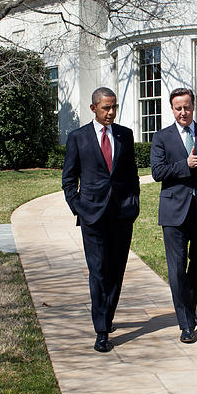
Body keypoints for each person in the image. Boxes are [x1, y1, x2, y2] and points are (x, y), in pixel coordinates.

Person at [62, 87, 140, 353]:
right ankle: (102, 330)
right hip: (92, 216)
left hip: (121, 214)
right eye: (106, 108)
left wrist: (134, 204)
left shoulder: (125, 135)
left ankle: (107, 316)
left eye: (114, 107)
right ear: (94, 108)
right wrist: (79, 208)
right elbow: (69, 180)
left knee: (116, 270)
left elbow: (132, 175)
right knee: (98, 272)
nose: (111, 113)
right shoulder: (78, 138)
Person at [150, 87, 197, 343]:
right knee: (176, 267)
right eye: (178, 108)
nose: (183, 112)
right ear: (172, 110)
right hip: (174, 212)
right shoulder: (162, 137)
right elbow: (158, 172)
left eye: (187, 107)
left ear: (193, 106)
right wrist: (186, 165)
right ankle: (186, 323)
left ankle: (189, 305)